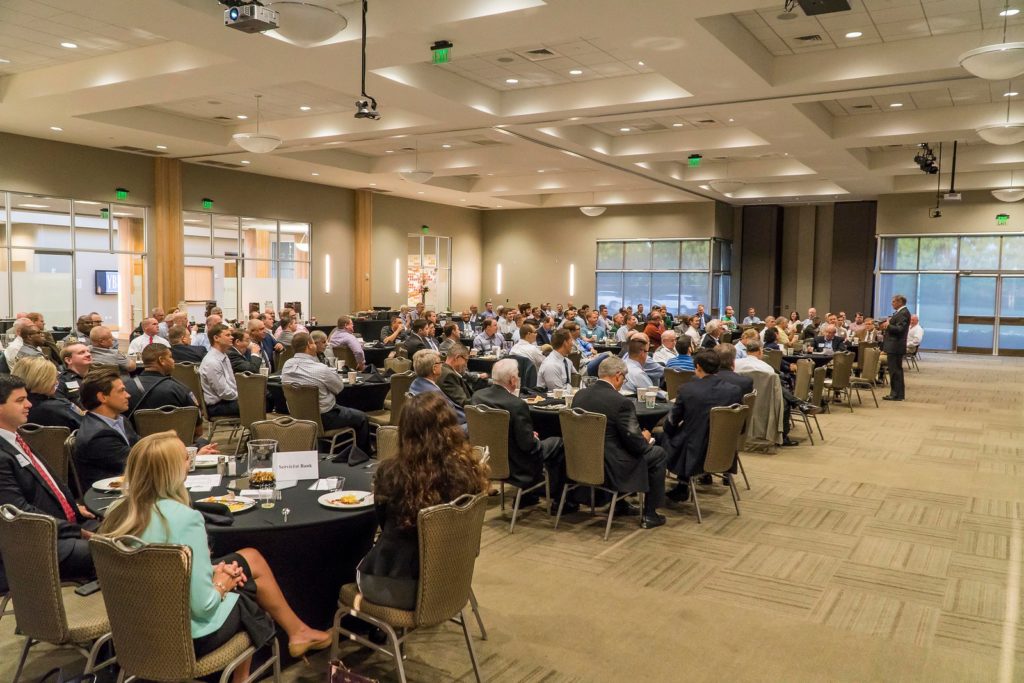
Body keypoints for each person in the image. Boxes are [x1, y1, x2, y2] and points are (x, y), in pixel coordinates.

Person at [100, 432, 332, 668]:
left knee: (249, 558)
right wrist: (222, 583)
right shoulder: (185, 520)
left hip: (131, 628)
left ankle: (298, 632)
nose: (190, 462)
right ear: (170, 471)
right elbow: (203, 607)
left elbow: (153, 567)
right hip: (183, 638)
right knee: (244, 589)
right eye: (185, 458)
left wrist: (210, 570)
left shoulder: (117, 512)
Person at [355, 392, 488, 609]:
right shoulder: (469, 470)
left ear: (405, 430)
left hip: (400, 586)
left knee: (345, 563)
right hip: (451, 579)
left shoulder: (392, 473)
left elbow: (382, 524)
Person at [0, 375, 97, 591]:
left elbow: (43, 486)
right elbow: (19, 514)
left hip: (58, 527)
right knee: (118, 556)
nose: (29, 404)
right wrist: (75, 531)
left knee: (128, 529)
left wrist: (73, 508)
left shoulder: (13, 438)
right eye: (19, 400)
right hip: (34, 546)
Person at [571, 356, 667, 529]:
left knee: (618, 447)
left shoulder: (579, 396)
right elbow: (636, 445)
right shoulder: (621, 402)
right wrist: (644, 437)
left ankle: (621, 504)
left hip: (582, 461)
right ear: (617, 376)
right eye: (624, 378)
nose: (623, 382)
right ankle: (650, 514)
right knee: (658, 453)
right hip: (613, 467)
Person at [469, 359, 571, 513]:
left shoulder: (477, 397)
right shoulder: (516, 404)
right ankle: (561, 502)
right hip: (517, 464)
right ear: (513, 380)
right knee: (558, 442)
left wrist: (528, 435)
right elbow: (528, 446)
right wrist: (532, 438)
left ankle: (528, 494)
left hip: (488, 459)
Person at [660, 350, 744, 502]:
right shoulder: (734, 391)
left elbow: (672, 421)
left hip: (693, 452)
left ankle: (677, 487)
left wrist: (667, 430)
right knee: (694, 432)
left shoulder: (687, 390)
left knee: (662, 435)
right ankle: (695, 479)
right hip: (723, 449)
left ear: (697, 367)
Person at [281, 333, 371, 452]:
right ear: (309, 345)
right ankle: (362, 455)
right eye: (313, 342)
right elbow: (339, 388)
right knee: (362, 417)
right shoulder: (320, 369)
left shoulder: (286, 365)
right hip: (325, 418)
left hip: (298, 416)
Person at [73, 368, 141, 488]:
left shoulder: (120, 420)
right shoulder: (98, 436)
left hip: (131, 483)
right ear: (102, 397)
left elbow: (140, 446)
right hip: (111, 497)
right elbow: (137, 462)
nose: (128, 395)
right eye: (122, 391)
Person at [124, 345, 202, 422]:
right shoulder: (180, 389)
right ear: (161, 360)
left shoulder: (126, 388)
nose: (173, 361)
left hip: (135, 434)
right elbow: (197, 429)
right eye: (170, 357)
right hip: (174, 434)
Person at [13, 356, 84, 431]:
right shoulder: (59, 406)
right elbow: (89, 428)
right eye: (53, 378)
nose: (56, 382)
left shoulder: (11, 408)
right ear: (42, 380)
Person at [408, 349, 466, 428]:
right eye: (440, 362)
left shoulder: (415, 383)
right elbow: (453, 417)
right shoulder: (434, 394)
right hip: (443, 430)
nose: (442, 365)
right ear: (434, 369)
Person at [199, 324, 239, 417]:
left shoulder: (223, 356)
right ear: (216, 338)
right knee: (256, 404)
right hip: (217, 406)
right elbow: (224, 393)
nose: (232, 337)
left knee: (259, 399)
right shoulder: (212, 362)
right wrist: (241, 396)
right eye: (228, 335)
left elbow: (231, 382)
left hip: (226, 401)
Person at [881, 294, 911, 401]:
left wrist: (888, 325)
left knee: (895, 371)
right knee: (896, 371)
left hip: (895, 346)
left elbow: (900, 329)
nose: (892, 303)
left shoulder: (903, 313)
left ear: (899, 302)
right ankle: (898, 394)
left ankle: (895, 394)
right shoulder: (900, 312)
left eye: (893, 301)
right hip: (894, 346)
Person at [57, 342, 92, 407]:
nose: (88, 354)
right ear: (68, 360)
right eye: (81, 352)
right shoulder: (61, 381)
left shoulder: (99, 375)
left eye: (88, 351)